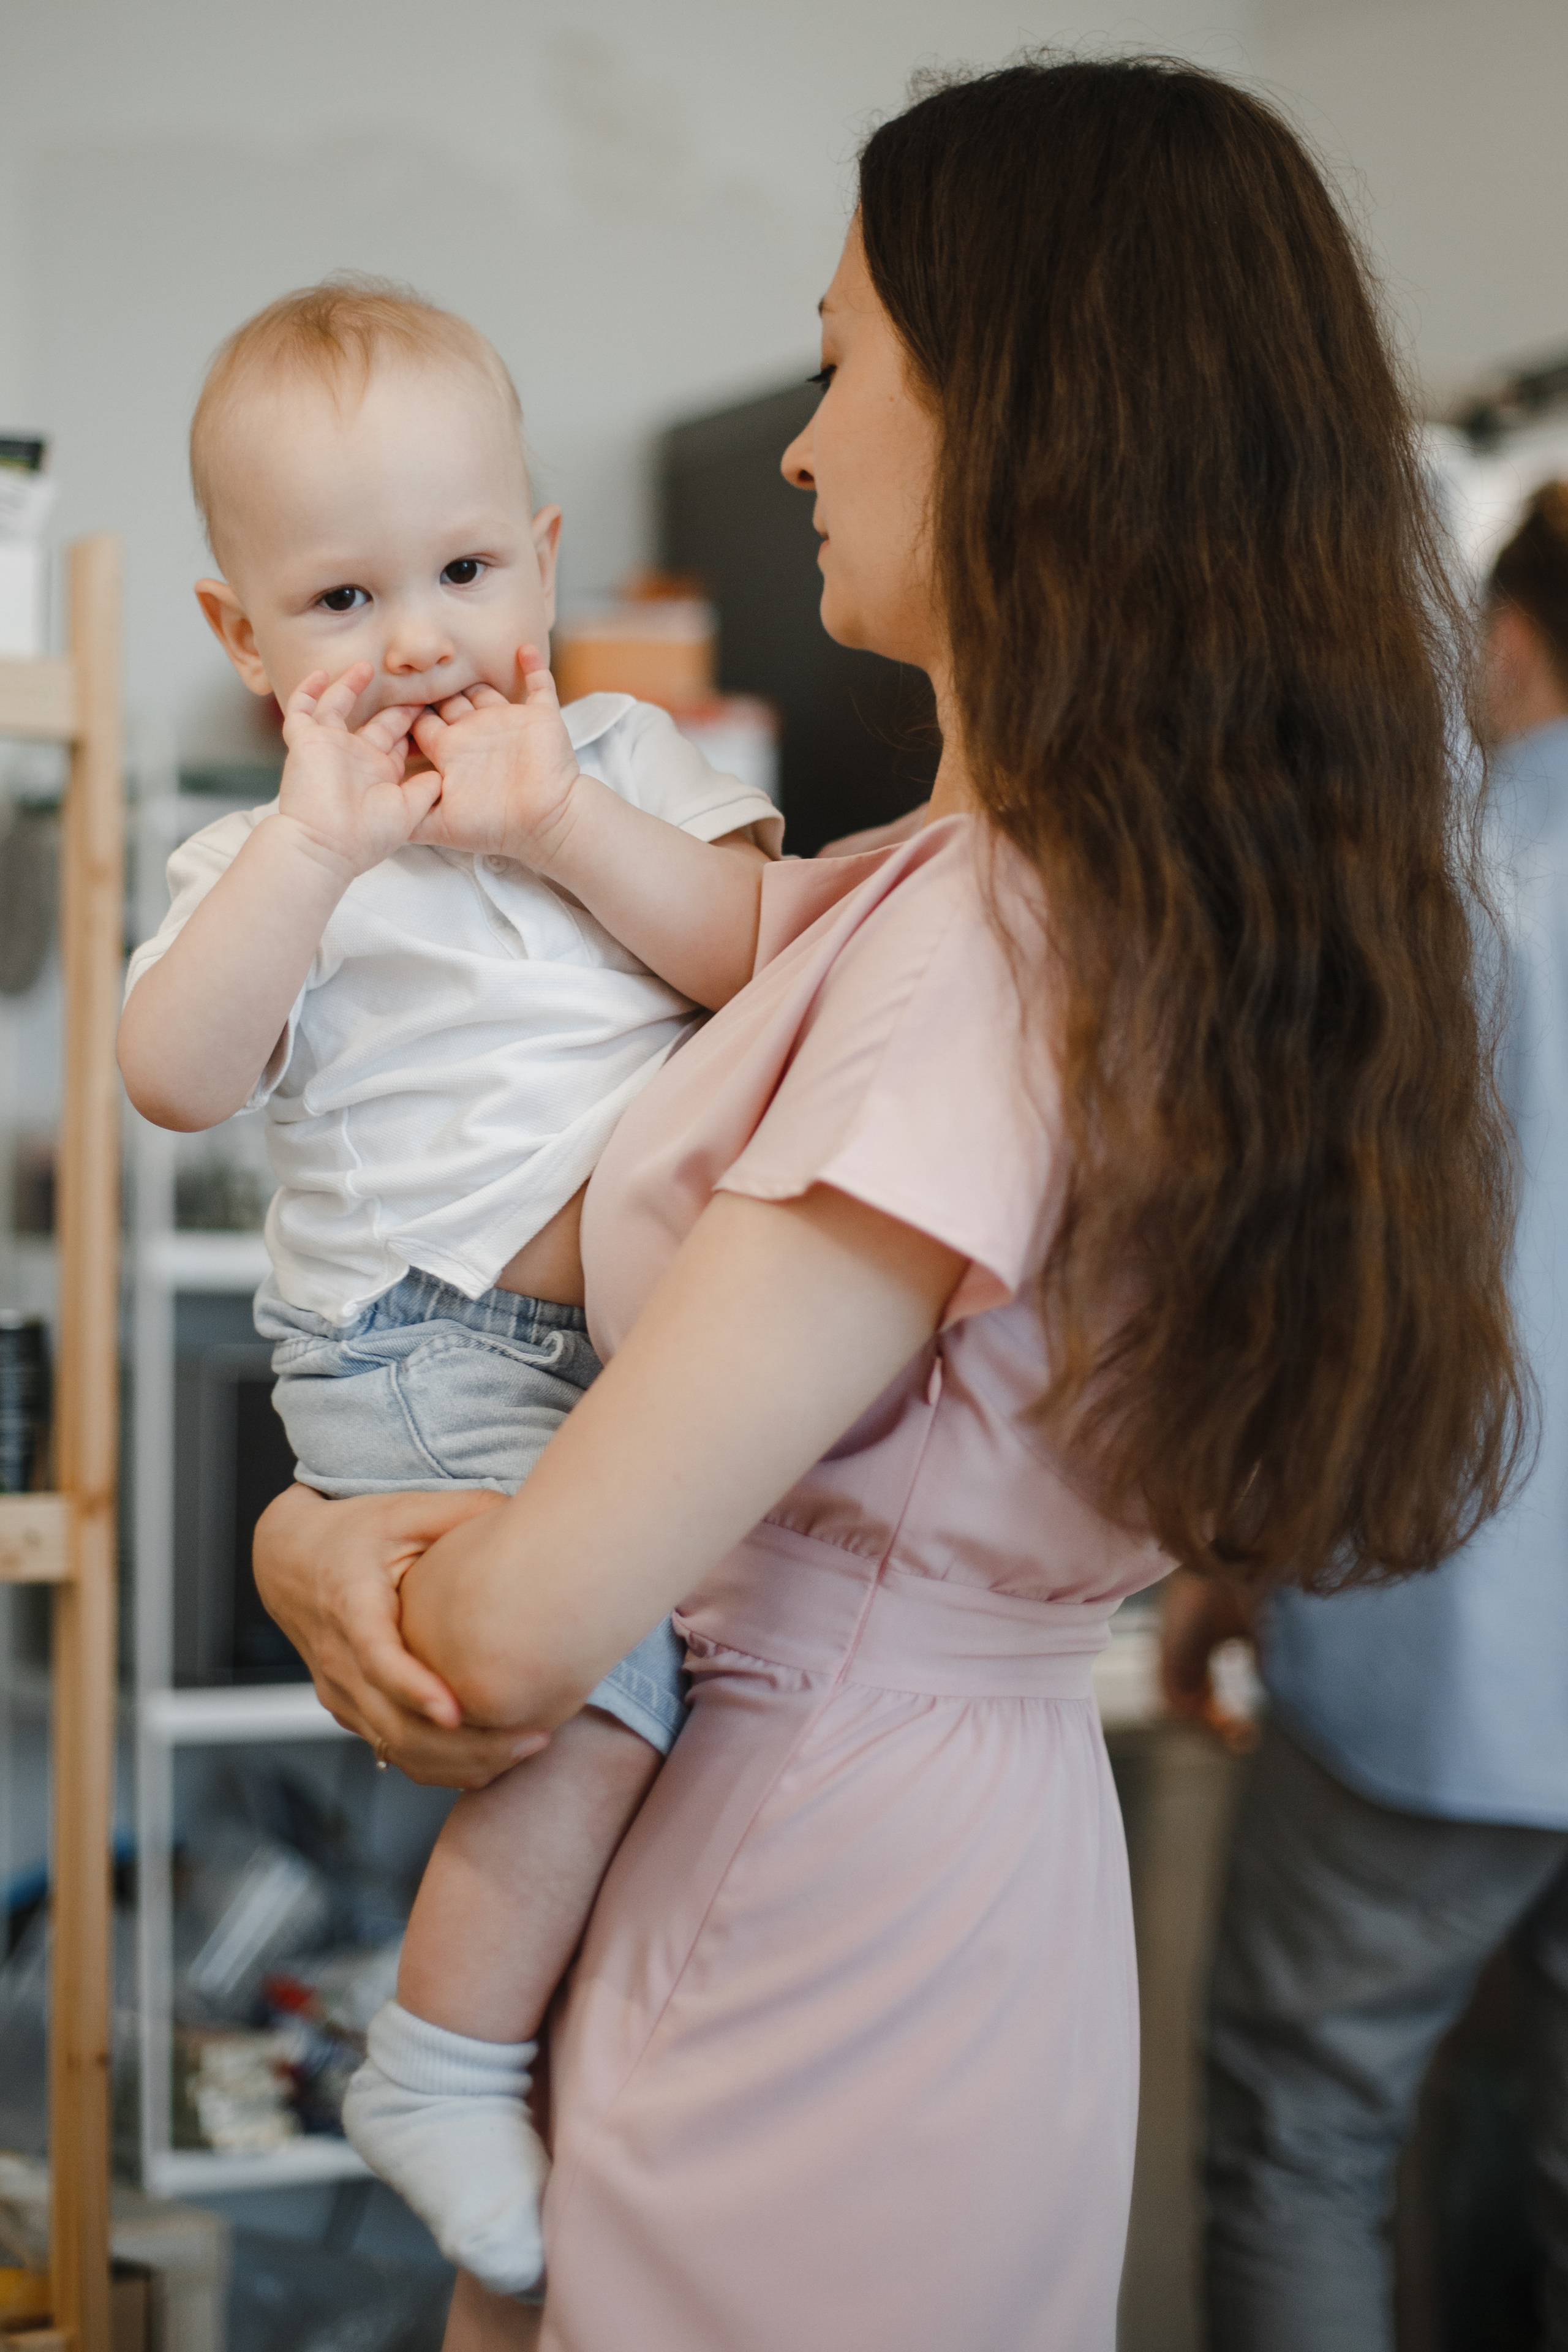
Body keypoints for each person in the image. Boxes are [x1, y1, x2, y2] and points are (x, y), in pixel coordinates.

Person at [253, 59, 1525, 2352]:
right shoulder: (1007, 894)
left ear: (1020, 411)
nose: (801, 447)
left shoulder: (979, 953)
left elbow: (517, 1638)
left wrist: (304, 1542)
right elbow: (745, 932)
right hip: (926, 1855)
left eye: (843, 364)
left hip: (813, 1882)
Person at [116, 279, 783, 2297]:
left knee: (644, 1700)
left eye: (466, 572)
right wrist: (313, 859)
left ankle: (506, 2053)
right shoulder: (267, 857)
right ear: (243, 639)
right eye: (340, 600)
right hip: (421, 1347)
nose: (416, 640)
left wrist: (561, 818)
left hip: (616, 1356)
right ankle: (438, 2058)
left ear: (544, 564)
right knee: (601, 1683)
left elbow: (758, 953)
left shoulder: (625, 758)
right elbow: (176, 1075)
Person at [1164, 482, 1568, 2352]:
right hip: (1453, 1654)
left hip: (1438, 1660)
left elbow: (1322, 1275)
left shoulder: (1443, 891)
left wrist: (1231, 1553)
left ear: (1512, 641)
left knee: (1301, 2147)